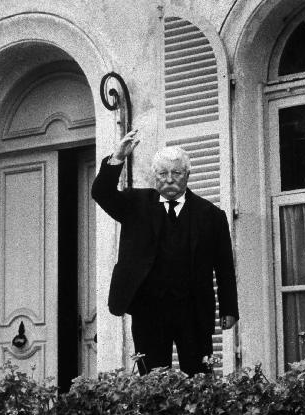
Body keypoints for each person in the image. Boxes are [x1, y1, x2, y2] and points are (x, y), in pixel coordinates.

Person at [91, 129, 239, 376]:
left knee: (199, 379)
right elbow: (101, 193)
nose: (169, 179)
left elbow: (224, 266)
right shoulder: (135, 204)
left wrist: (229, 309)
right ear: (154, 176)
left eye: (176, 173)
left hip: (193, 310)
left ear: (188, 175)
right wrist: (117, 157)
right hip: (148, 309)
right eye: (162, 173)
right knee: (152, 381)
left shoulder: (211, 216)